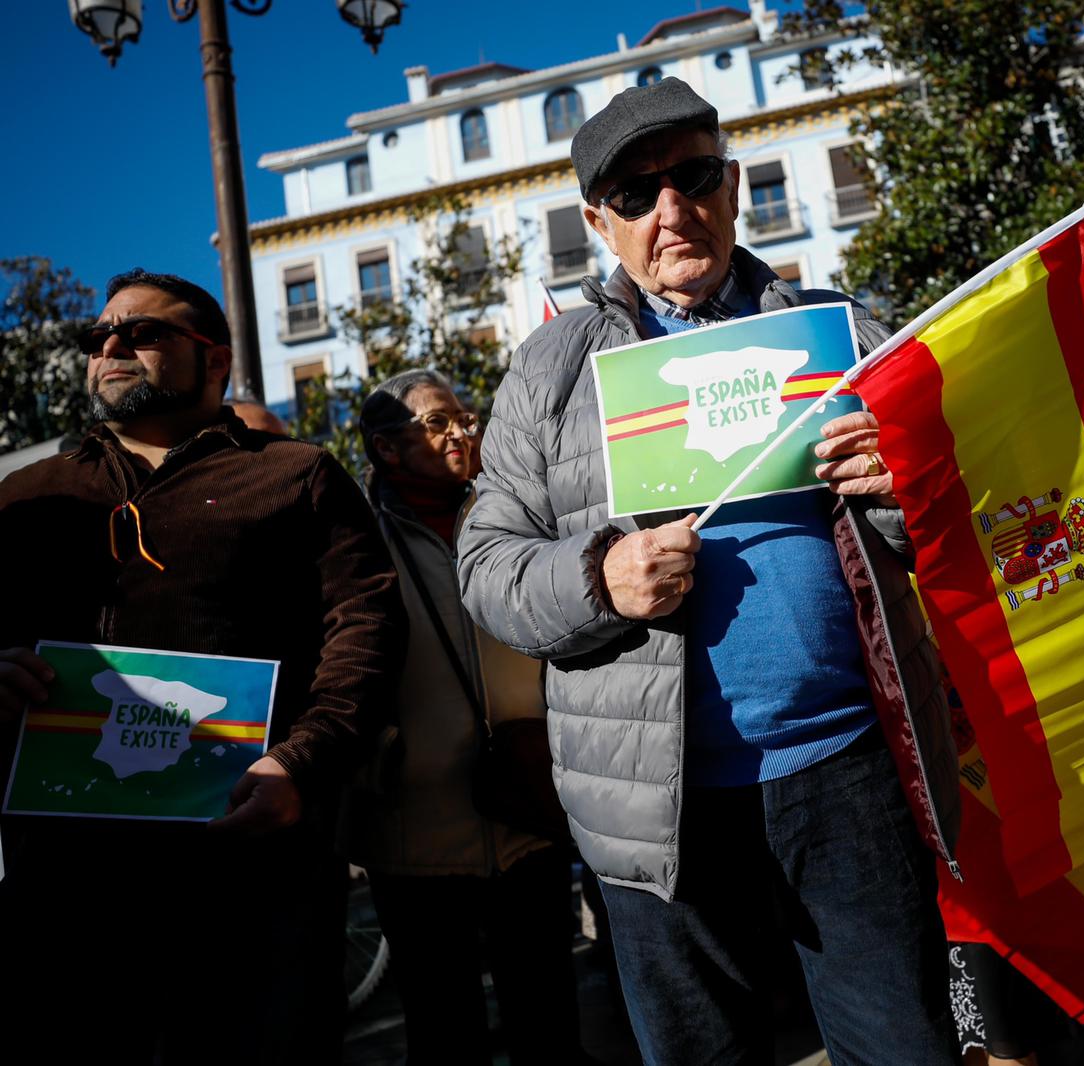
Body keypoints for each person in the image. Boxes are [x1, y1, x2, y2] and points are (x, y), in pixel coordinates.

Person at [457, 77, 962, 1065]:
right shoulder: (548, 370)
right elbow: (485, 565)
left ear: (731, 186)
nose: (671, 211)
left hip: (849, 767)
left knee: (905, 1044)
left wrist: (904, 487)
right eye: (637, 196)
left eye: (691, 177)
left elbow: (947, 531)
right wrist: (603, 578)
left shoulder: (843, 335)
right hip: (651, 807)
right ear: (601, 224)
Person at [0, 269, 405, 1063]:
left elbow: (368, 632)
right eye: (98, 336)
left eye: (142, 333)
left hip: (252, 875)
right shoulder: (26, 497)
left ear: (214, 361)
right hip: (65, 887)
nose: (110, 346)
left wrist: (302, 763)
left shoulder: (296, 476)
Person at [345, 369, 592, 1064]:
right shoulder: (354, 539)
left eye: (465, 417)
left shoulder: (510, 513)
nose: (463, 432)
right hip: (416, 825)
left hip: (530, 805)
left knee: (546, 1003)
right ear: (386, 450)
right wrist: (386, 756)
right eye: (437, 423)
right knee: (443, 1020)